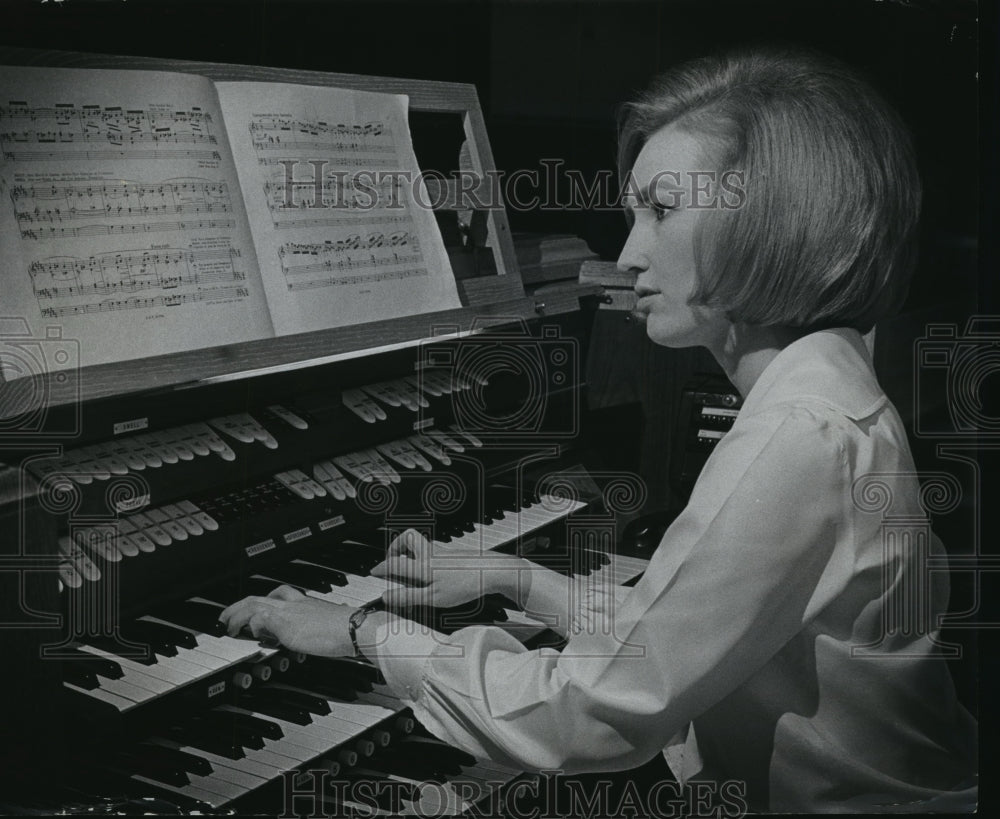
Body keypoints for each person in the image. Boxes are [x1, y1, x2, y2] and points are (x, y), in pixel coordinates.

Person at [220, 47, 978, 812]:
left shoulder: (797, 437)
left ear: (767, 222)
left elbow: (591, 718)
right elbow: (683, 632)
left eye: (662, 209)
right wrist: (514, 577)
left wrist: (363, 631)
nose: (626, 254)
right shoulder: (828, 383)